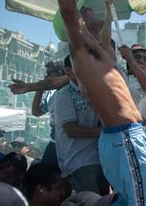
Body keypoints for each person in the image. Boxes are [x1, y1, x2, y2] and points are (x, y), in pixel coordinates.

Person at [58, 0, 146, 205]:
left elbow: (105, 36)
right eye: (87, 9)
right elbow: (67, 5)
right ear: (78, 20)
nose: (89, 8)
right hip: (124, 138)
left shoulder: (101, 53)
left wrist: (107, 10)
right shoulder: (82, 54)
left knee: (143, 198)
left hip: (131, 136)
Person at [53, 55, 108, 195]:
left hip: (100, 160)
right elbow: (71, 130)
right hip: (79, 163)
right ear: (69, 71)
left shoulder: (95, 91)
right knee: (91, 201)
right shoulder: (63, 95)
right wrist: (106, 132)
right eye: (80, 65)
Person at [31, 60, 65, 167]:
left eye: (51, 73)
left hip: (69, 145)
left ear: (62, 73)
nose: (47, 76)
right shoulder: (52, 95)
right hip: (54, 143)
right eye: (46, 73)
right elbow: (36, 112)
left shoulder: (75, 91)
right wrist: (39, 90)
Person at [119, 44, 146, 132]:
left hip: (140, 134)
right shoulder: (121, 77)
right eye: (137, 57)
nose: (141, 60)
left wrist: (132, 62)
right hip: (119, 134)